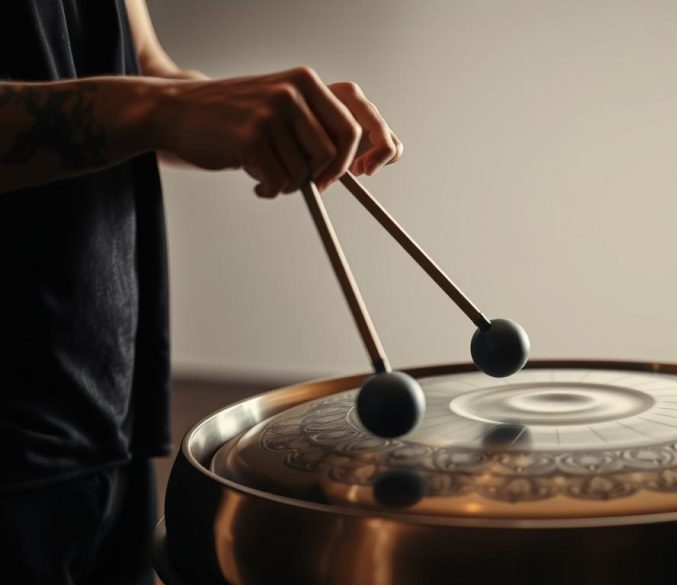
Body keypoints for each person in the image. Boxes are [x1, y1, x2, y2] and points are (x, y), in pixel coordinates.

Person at [0, 1, 402, 583]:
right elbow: (150, 103)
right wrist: (163, 109)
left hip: (109, 408)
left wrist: (265, 116)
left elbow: (140, 65)